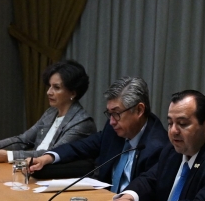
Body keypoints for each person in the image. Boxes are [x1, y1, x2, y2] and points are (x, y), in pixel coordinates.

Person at [27, 76, 170, 192]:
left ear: (139, 110)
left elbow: (147, 194)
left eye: (116, 113)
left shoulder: (158, 147)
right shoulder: (114, 129)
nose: (112, 121)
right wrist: (48, 157)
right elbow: (82, 146)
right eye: (109, 114)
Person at [0, 60, 96, 162]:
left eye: (56, 88)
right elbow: (23, 140)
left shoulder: (82, 123)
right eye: (49, 86)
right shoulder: (51, 113)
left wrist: (9, 156)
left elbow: (52, 154)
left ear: (73, 93)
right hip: (35, 171)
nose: (49, 92)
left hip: (57, 179)